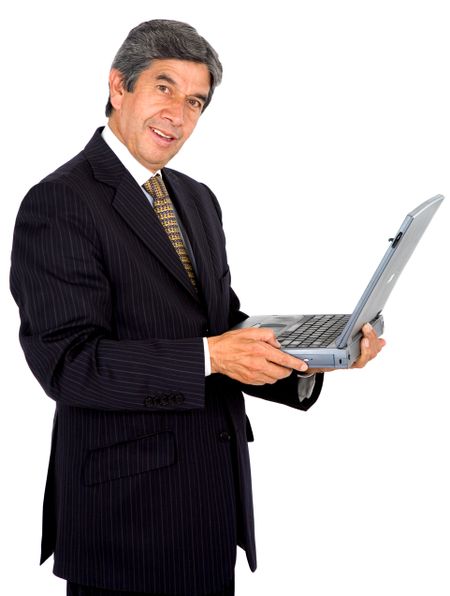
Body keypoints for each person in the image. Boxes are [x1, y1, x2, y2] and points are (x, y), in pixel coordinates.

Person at [9, 19, 384, 596]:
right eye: (163, 88)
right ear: (118, 86)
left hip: (208, 508)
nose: (178, 115)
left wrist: (308, 354)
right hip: (124, 524)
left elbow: (220, 327)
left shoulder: (196, 198)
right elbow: (68, 365)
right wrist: (210, 356)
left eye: (195, 101)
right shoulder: (59, 202)